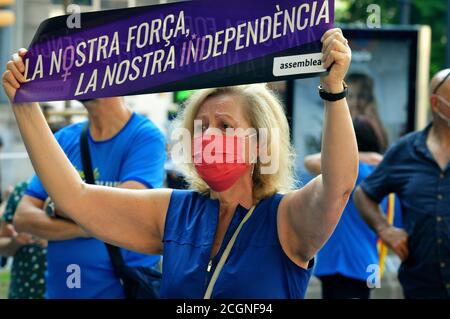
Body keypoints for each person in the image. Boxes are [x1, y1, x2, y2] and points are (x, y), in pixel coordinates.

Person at [2, 28, 357, 298]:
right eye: (200, 128)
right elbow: (74, 196)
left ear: (260, 141)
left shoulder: (286, 218)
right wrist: (26, 104)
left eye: (225, 126)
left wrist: (334, 91)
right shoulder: (173, 212)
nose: (208, 137)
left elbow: (338, 186)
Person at [12, 97, 166, 298]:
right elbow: (23, 218)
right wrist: (90, 225)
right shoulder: (64, 139)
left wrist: (55, 205)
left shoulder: (145, 136)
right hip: (61, 290)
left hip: (121, 289)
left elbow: (124, 211)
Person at [354, 69, 450, 299]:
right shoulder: (405, 151)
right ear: (436, 104)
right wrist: (384, 229)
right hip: (421, 287)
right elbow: (364, 194)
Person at [305, 116, 400, 299]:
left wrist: (353, 153)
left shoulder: (353, 172)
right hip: (367, 263)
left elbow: (310, 161)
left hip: (342, 263)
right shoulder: (383, 173)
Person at [0, 181, 47, 299]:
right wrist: (16, 241)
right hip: (24, 290)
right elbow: (2, 243)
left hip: (67, 286)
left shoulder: (75, 191)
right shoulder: (21, 190)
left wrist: (56, 236)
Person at [346, 73, 389, 152]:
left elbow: (383, 146)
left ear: (370, 99)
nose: (355, 103)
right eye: (350, 96)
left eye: (361, 96)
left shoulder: (367, 124)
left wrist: (374, 119)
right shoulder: (341, 122)